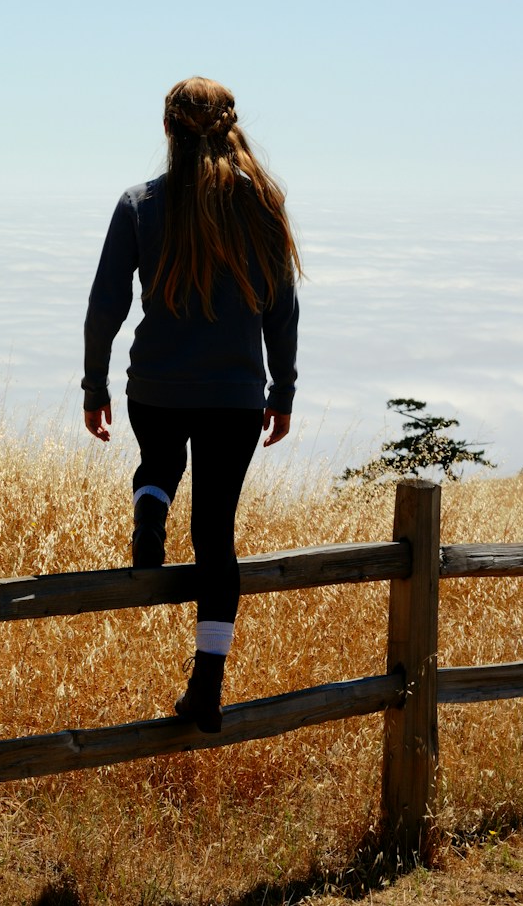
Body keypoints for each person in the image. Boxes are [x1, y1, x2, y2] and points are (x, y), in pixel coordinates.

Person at [81, 76, 301, 733]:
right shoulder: (262, 202)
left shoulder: (139, 203)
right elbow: (282, 310)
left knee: (157, 459)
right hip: (235, 396)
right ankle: (206, 684)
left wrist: (94, 387)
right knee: (215, 537)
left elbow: (104, 307)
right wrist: (282, 392)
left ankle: (150, 505)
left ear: (169, 129)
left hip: (155, 386)